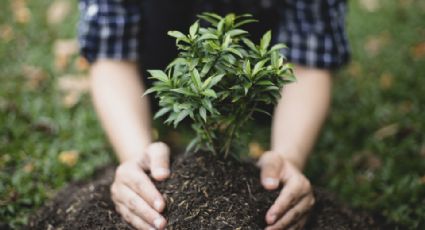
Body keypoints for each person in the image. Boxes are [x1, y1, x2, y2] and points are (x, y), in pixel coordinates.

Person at [78, 0, 350, 229]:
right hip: (167, 69)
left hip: (256, 84)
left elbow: (309, 59)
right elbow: (111, 52)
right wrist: (136, 154)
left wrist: (289, 156)